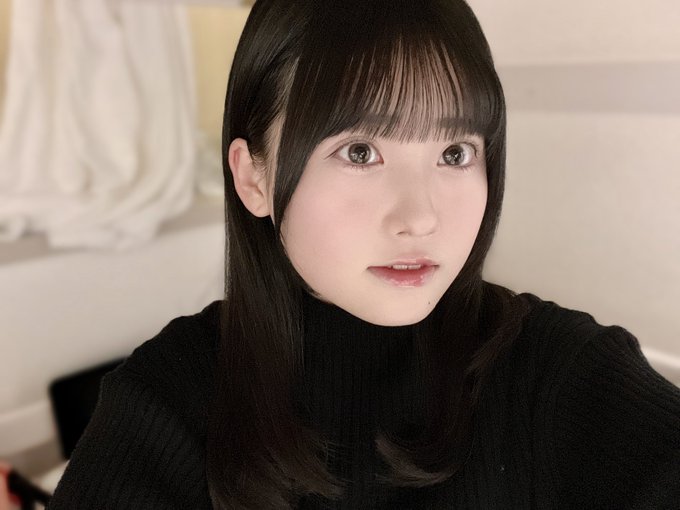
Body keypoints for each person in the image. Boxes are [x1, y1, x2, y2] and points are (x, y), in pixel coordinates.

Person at [49, 0, 680, 508]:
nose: (421, 217)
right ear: (253, 177)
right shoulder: (166, 403)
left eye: (455, 153)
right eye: (360, 152)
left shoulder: (556, 371)